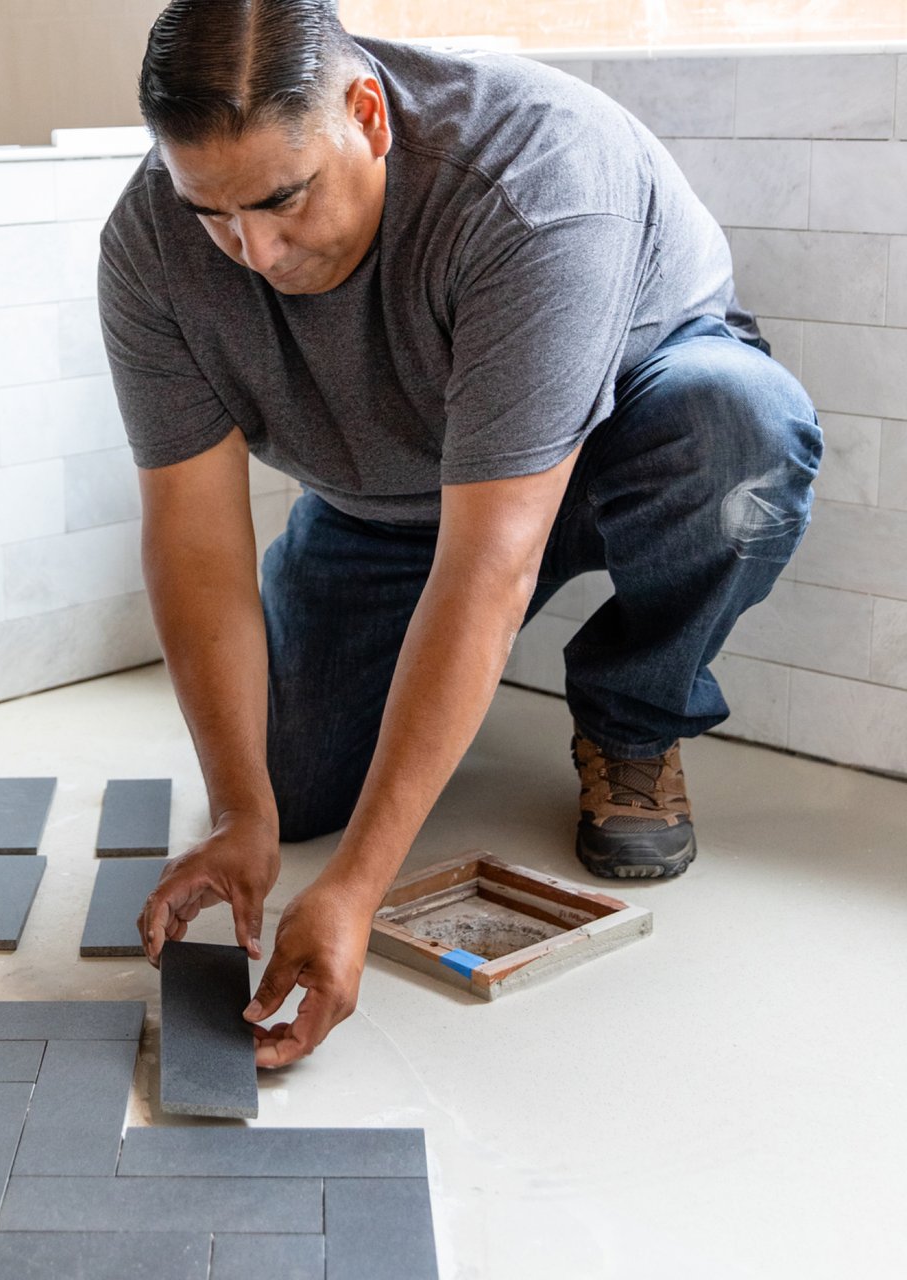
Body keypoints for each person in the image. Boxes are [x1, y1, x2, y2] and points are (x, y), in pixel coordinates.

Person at [97, 0, 822, 1067]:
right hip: (389, 505)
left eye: (283, 198)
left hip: (626, 443)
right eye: (213, 212)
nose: (253, 251)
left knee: (738, 436)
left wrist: (355, 887)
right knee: (288, 785)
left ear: (366, 115)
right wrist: (239, 810)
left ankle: (632, 719)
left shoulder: (534, 180)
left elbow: (490, 561)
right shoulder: (149, 244)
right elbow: (194, 541)